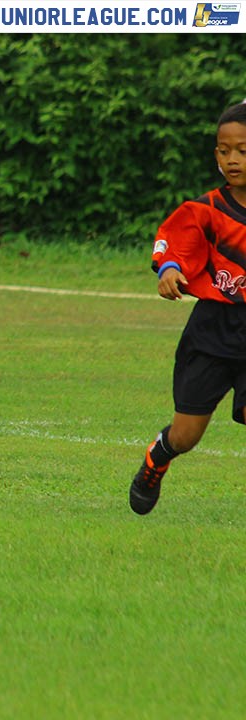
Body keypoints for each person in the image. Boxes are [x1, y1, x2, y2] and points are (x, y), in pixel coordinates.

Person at [129, 101, 246, 515]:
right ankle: (156, 460)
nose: (232, 159)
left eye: (243, 150)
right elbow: (175, 243)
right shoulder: (207, 210)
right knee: (186, 436)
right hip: (213, 332)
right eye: (224, 150)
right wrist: (171, 270)